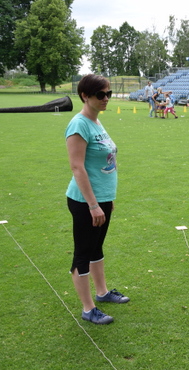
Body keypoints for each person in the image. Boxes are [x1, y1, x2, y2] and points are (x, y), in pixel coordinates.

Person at [65, 74, 130, 325]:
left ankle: (102, 293)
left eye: (108, 94)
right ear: (85, 96)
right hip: (85, 202)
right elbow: (77, 167)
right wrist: (93, 204)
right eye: (100, 94)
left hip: (101, 198)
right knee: (83, 254)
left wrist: (106, 199)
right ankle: (88, 308)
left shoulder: (96, 121)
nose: (106, 99)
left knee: (97, 248)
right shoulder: (79, 125)